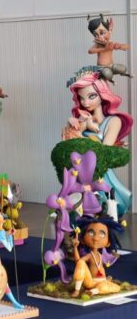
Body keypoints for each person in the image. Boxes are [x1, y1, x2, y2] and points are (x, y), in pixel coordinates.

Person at [66, 68, 133, 215]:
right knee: (78, 209)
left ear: (103, 95)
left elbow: (103, 151)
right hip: (80, 172)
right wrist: (80, 126)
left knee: (104, 207)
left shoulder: (113, 121)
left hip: (100, 172)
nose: (86, 102)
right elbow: (68, 143)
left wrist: (81, 135)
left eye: (91, 96)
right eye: (81, 98)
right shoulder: (82, 120)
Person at [71, 218, 123, 297]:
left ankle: (92, 292)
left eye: (101, 234)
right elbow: (79, 262)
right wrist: (75, 248)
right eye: (91, 233)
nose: (96, 238)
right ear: (82, 239)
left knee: (117, 288)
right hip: (91, 282)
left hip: (103, 282)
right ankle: (77, 290)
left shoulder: (101, 255)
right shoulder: (90, 255)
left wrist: (106, 278)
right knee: (81, 262)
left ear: (108, 243)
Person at [87, 15, 131, 81]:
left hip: (111, 66)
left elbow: (127, 47)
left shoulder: (110, 44)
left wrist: (119, 46)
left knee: (123, 68)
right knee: (108, 74)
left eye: (102, 33)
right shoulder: (98, 44)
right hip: (101, 67)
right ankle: (106, 77)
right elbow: (90, 51)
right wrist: (104, 49)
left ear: (109, 31)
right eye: (95, 35)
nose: (99, 37)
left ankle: (122, 74)